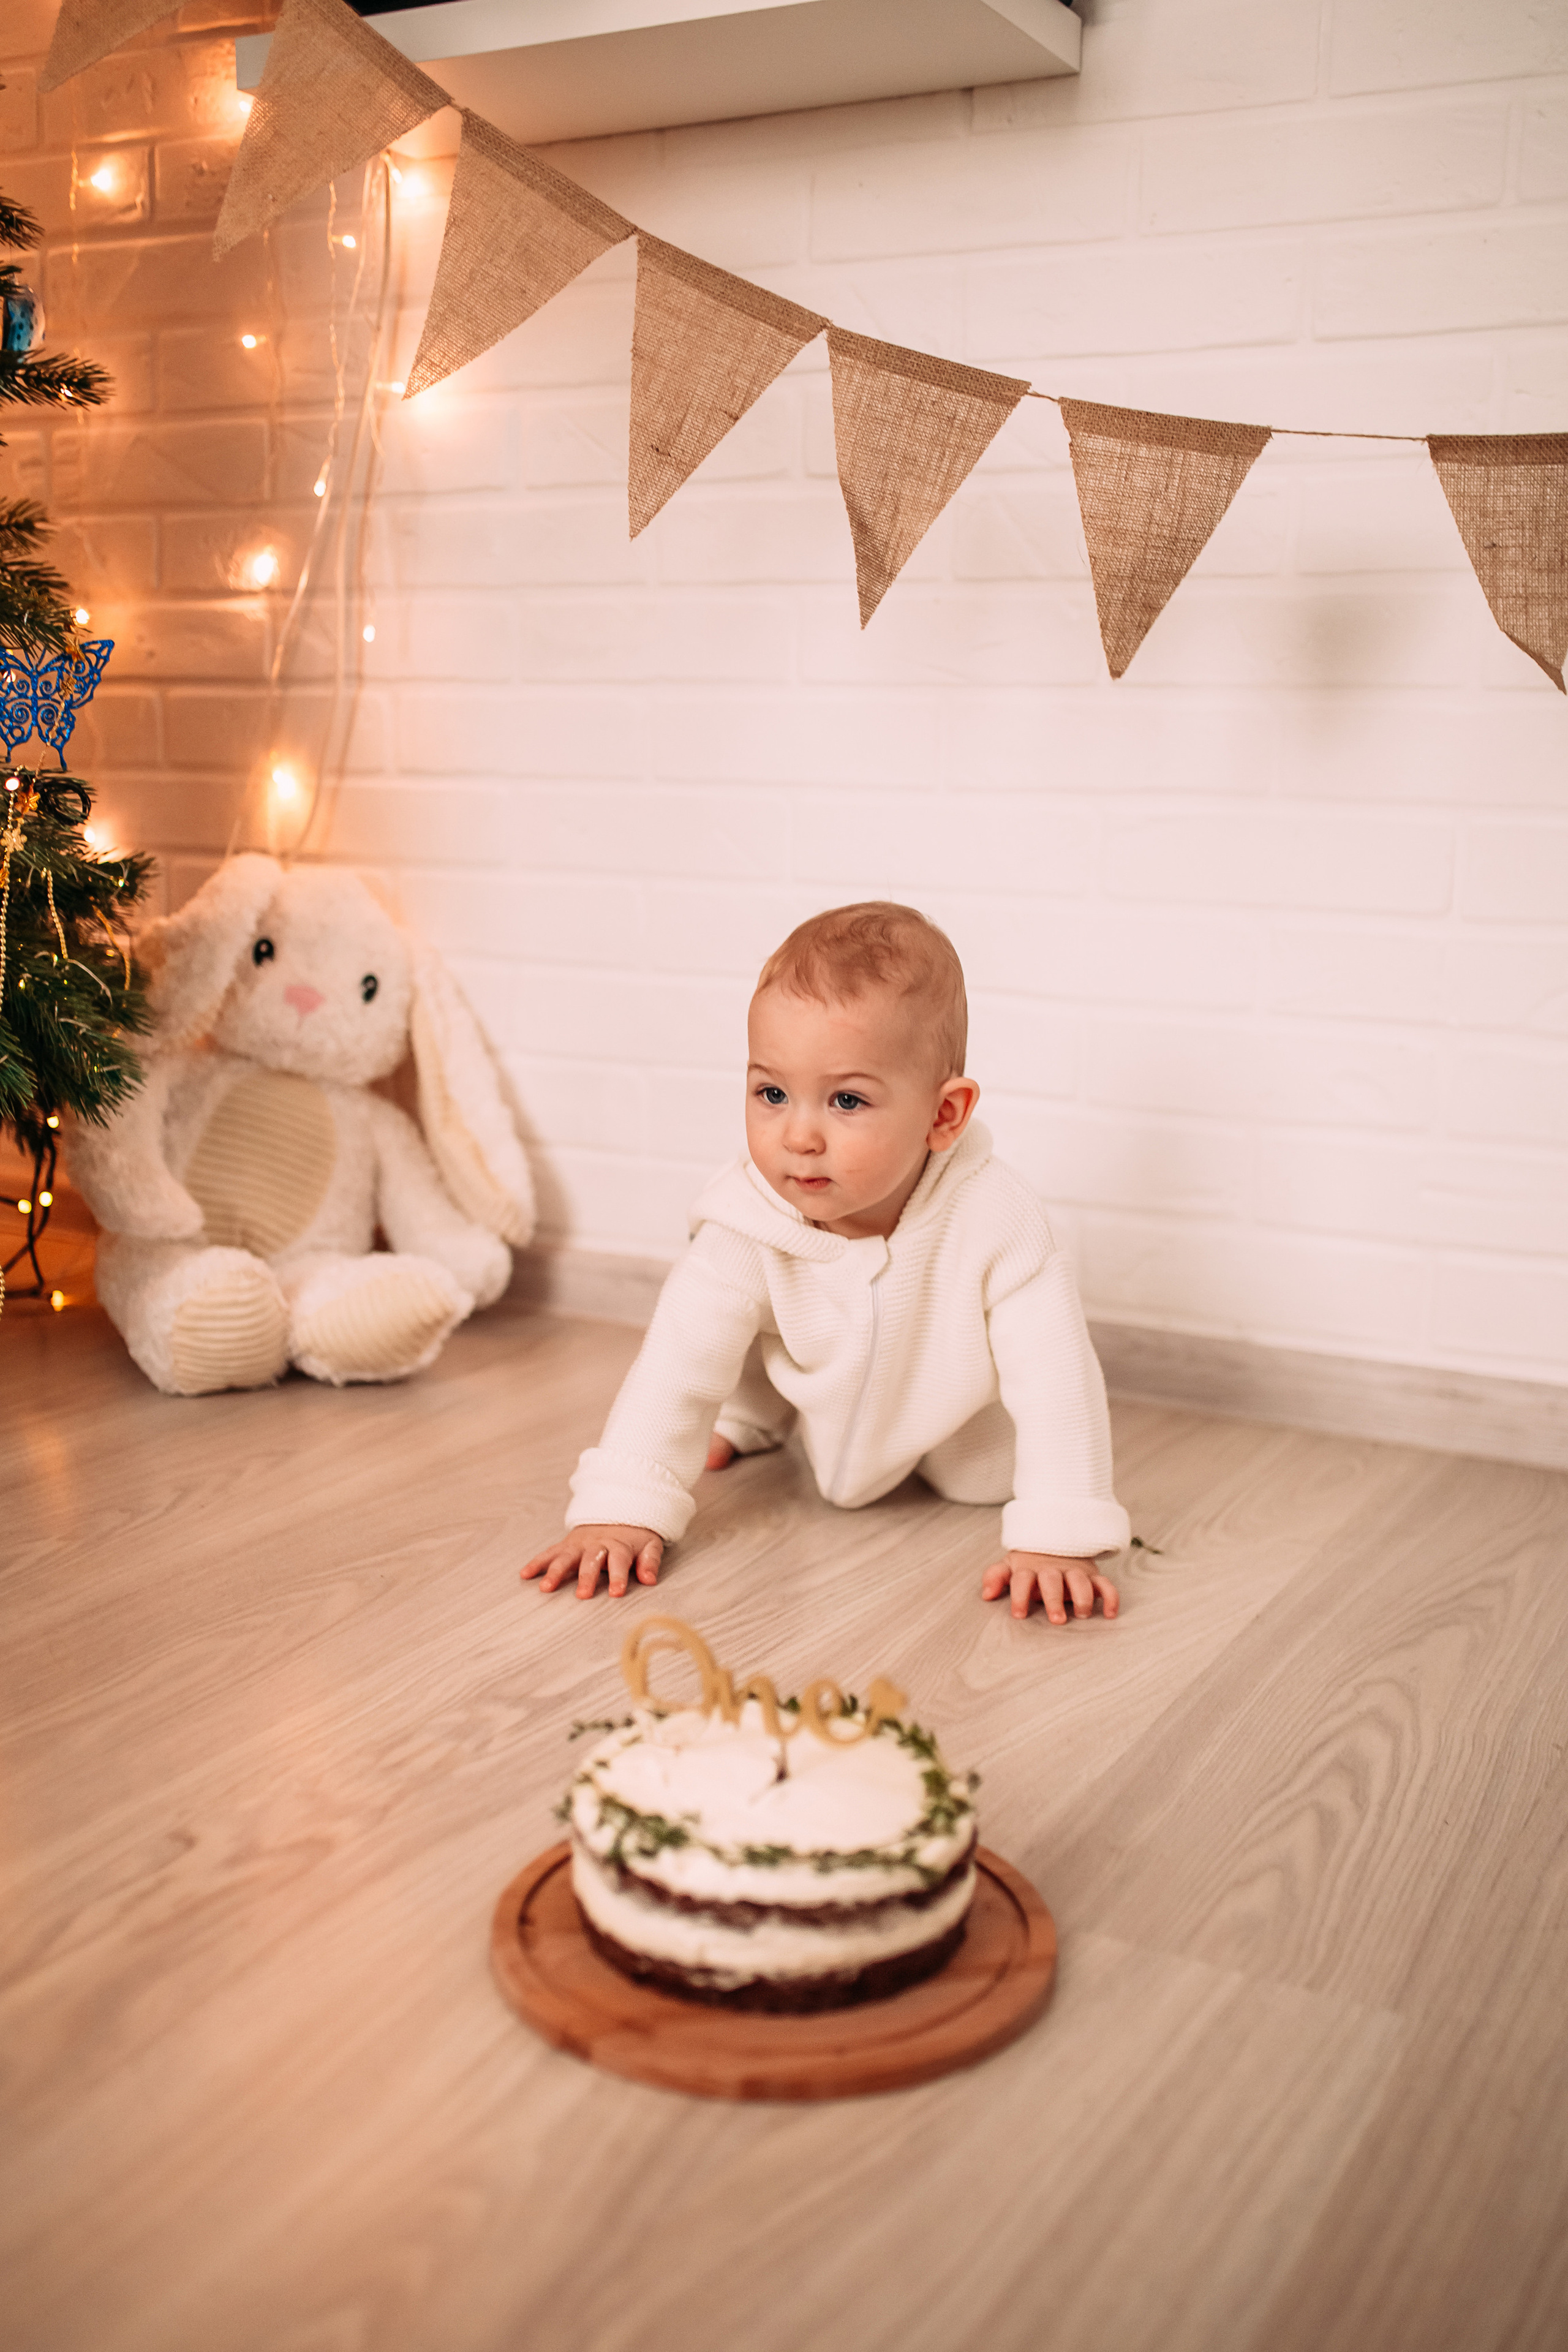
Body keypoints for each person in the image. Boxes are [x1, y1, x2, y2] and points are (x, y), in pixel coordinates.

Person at [522, 902, 1129, 1624]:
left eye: (846, 1100)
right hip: (816, 1389)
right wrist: (624, 1508)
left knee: (983, 1477)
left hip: (955, 1419)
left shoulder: (994, 1218)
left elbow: (1057, 1376)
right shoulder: (745, 1222)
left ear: (944, 1116)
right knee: (736, 1333)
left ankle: (933, 1457)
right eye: (771, 1093)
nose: (798, 1135)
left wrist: (1059, 1533)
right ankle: (757, 1413)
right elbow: (676, 1368)